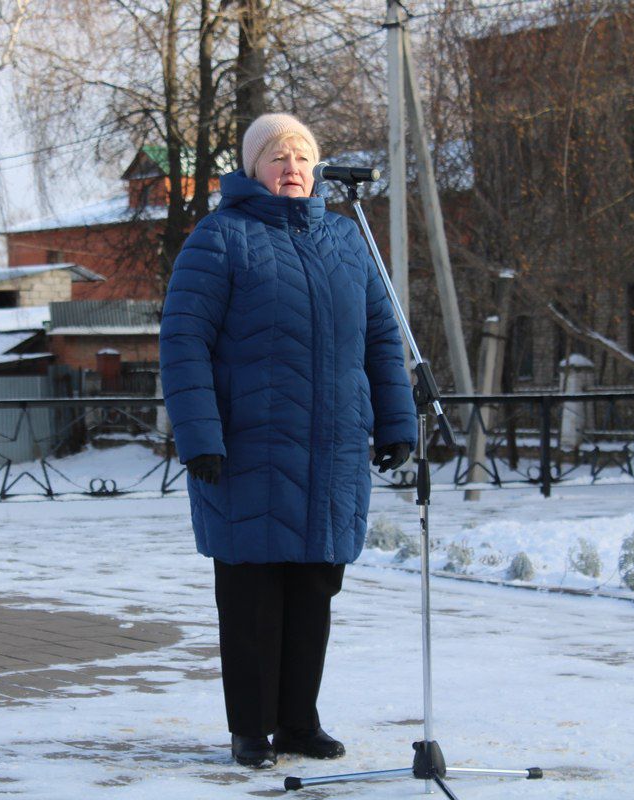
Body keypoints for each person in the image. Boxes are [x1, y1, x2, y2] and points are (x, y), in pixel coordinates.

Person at [159, 112, 418, 769]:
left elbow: (383, 341)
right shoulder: (220, 240)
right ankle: (251, 729)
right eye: (277, 157)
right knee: (251, 597)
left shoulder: (346, 241)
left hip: (331, 452)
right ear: (252, 169)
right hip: (247, 451)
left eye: (302, 157)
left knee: (312, 592)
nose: (292, 168)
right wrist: (199, 437)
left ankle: (299, 722)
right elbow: (183, 341)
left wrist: (396, 423)